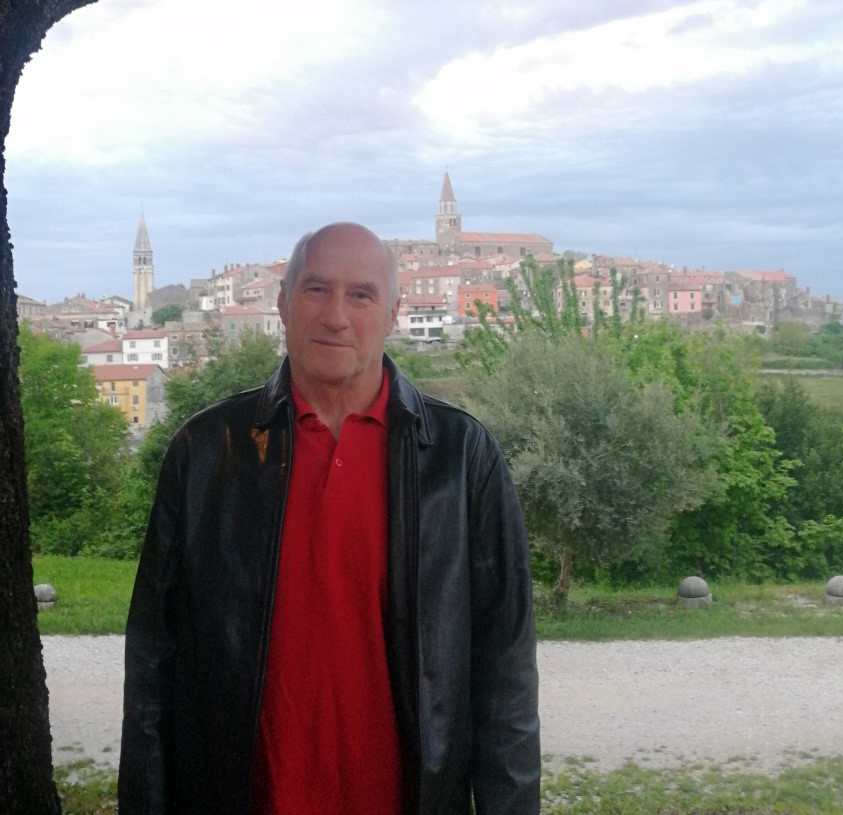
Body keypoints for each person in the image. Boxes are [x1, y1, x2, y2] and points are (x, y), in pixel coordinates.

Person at [119, 222, 540, 815]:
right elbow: (152, 666)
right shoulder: (206, 451)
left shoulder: (461, 457)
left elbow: (506, 676)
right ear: (283, 302)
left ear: (392, 314)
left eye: (361, 295)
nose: (336, 316)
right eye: (316, 289)